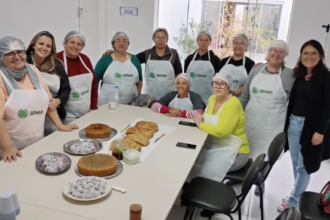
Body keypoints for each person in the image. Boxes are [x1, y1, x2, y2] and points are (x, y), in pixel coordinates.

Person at [0, 36, 78, 163]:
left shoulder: (33, 70)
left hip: (37, 142)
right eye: (9, 53)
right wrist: (8, 148)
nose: (16, 56)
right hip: (13, 149)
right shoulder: (1, 76)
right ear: (1, 56)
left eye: (19, 51)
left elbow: (48, 101)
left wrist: (60, 125)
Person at [278, 40, 330, 212]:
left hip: (310, 128)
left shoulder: (325, 77)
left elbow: (328, 107)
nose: (309, 56)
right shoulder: (299, 75)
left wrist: (319, 132)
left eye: (313, 53)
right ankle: (297, 194)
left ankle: (293, 201)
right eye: (305, 53)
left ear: (320, 55)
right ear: (301, 56)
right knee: (295, 163)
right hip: (293, 123)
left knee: (304, 166)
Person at [189, 72, 249, 217]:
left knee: (207, 167)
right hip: (218, 147)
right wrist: (199, 119)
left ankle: (209, 201)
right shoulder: (212, 98)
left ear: (229, 87)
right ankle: (192, 192)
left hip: (236, 152)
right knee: (192, 160)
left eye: (223, 84)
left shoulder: (232, 104)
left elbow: (222, 132)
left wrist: (200, 124)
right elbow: (205, 117)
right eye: (216, 83)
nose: (218, 86)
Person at [239, 40, 295, 194]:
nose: (276, 54)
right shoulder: (256, 71)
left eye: (280, 52)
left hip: (272, 123)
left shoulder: (290, 75)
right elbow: (245, 96)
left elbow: (296, 99)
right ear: (268, 53)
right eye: (273, 50)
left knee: (267, 155)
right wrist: (236, 114)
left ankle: (260, 180)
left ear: (284, 56)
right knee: (246, 150)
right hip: (251, 120)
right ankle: (244, 178)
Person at [103, 28, 183, 99]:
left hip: (169, 95)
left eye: (163, 37)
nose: (160, 40)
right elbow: (130, 59)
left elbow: (179, 74)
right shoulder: (147, 53)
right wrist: (115, 53)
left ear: (167, 39)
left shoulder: (174, 54)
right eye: (157, 37)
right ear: (154, 40)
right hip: (150, 95)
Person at [26, 31, 71, 136]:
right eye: (41, 44)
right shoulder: (24, 62)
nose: (44, 48)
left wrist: (58, 101)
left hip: (53, 114)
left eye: (48, 46)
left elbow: (66, 89)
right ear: (33, 45)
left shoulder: (57, 64)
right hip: (32, 115)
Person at [57, 31, 98, 124]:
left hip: (87, 113)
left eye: (79, 44)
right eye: (72, 42)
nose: (75, 46)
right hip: (66, 117)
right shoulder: (57, 59)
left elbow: (94, 84)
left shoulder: (85, 59)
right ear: (64, 43)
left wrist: (93, 107)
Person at [95, 32, 142, 105]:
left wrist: (137, 99)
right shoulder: (106, 59)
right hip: (107, 103)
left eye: (124, 41)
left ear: (127, 45)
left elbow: (140, 81)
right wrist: (94, 99)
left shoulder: (134, 59)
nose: (121, 43)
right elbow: (95, 79)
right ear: (113, 44)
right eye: (118, 41)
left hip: (130, 104)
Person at [184, 31, 221, 104]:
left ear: (210, 42)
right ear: (197, 41)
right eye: (201, 40)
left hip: (210, 98)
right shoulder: (189, 59)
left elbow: (219, 81)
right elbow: (185, 79)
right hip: (191, 98)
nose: (203, 42)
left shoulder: (215, 60)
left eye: (206, 40)